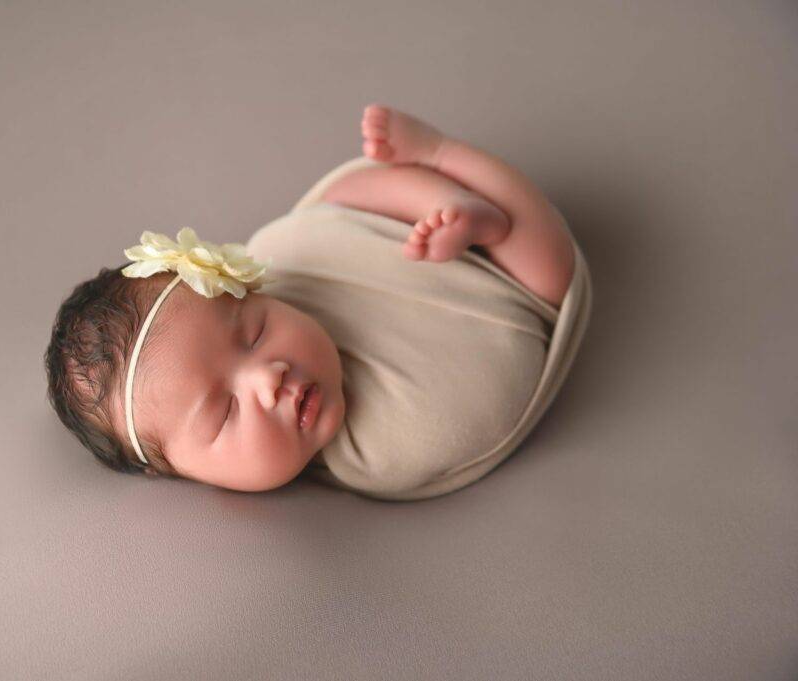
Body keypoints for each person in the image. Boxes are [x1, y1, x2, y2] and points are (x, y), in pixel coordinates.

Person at [44, 105, 592, 501]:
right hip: (521, 300)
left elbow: (333, 211)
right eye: (226, 411)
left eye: (253, 332)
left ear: (250, 291)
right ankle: (474, 210)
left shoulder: (294, 257)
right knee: (548, 267)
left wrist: (429, 200)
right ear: (185, 473)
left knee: (340, 200)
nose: (268, 378)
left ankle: (443, 169)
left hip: (410, 234)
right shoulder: (384, 454)